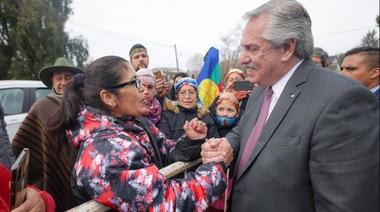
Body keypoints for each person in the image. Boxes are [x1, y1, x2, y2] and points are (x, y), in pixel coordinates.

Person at [202, 0, 379, 211]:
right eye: (243, 48)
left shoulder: (343, 99)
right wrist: (228, 144)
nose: (242, 58)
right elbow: (244, 130)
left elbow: (344, 205)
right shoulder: (261, 89)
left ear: (287, 47)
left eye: (253, 48)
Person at [45, 55, 232, 211]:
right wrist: (216, 167)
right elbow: (167, 202)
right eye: (134, 82)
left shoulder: (134, 123)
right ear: (108, 97)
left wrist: (191, 141)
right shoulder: (104, 151)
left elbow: (166, 151)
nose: (143, 89)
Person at [11, 57, 83, 212]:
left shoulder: (84, 107)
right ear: (52, 81)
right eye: (58, 78)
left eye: (68, 78)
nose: (63, 82)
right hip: (52, 178)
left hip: (81, 179)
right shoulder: (40, 108)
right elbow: (20, 151)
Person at [0, 102, 55, 212]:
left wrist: (41, 202)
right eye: (57, 82)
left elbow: (4, 134)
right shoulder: (40, 108)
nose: (63, 83)